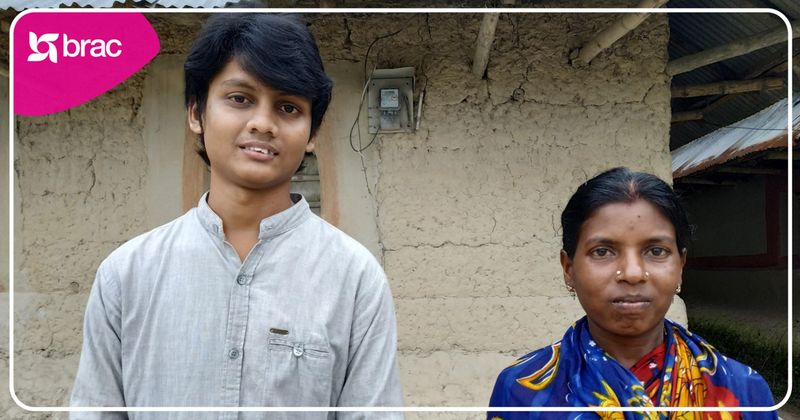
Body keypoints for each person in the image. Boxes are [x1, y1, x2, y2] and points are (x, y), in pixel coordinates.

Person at [70, 14, 403, 418]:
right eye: (240, 99)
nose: (263, 123)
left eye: (288, 107)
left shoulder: (355, 280)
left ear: (312, 134)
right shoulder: (126, 275)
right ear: (196, 113)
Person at [488, 167, 776, 419]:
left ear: (680, 266)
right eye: (602, 251)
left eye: (656, 251)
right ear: (568, 269)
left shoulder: (744, 392)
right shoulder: (521, 391)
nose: (633, 273)